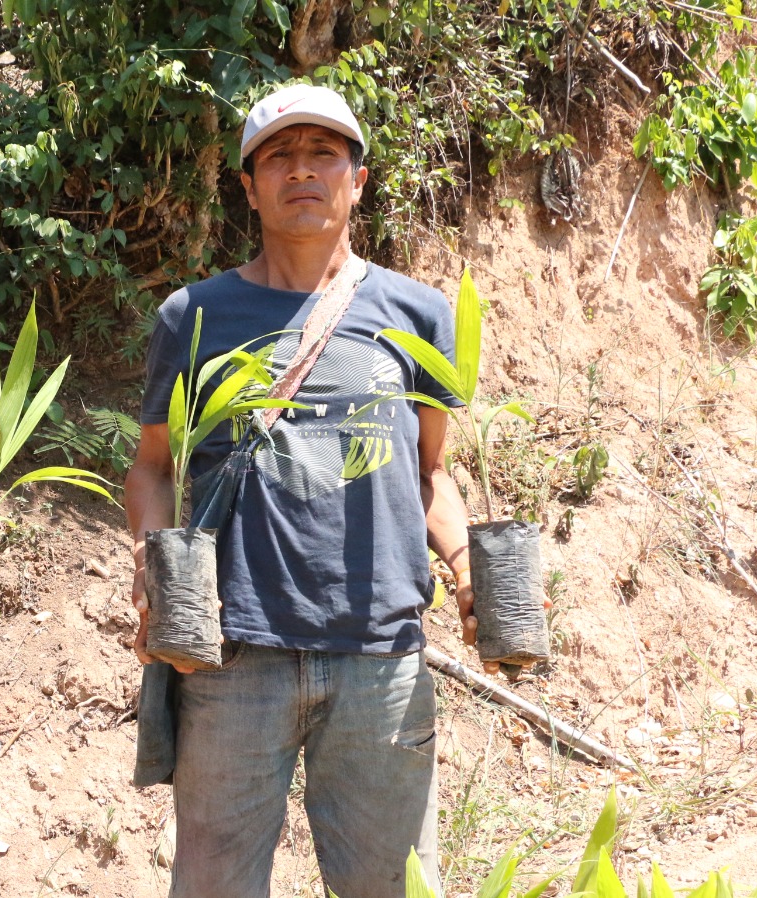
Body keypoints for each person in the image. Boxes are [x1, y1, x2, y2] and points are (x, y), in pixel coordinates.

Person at [125, 83, 483, 898]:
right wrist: (149, 559)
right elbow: (151, 467)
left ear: (358, 179)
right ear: (248, 187)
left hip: (382, 659)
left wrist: (466, 567)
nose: (302, 170)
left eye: (324, 153)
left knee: (391, 888)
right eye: (278, 156)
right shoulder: (195, 315)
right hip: (232, 655)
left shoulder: (419, 315)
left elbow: (429, 473)